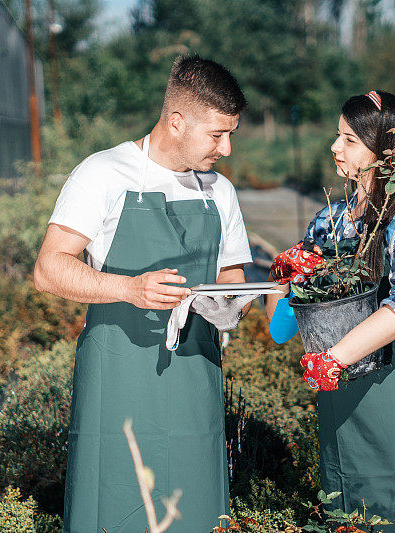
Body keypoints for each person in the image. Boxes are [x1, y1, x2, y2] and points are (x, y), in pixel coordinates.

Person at [33, 55, 253, 533]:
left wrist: (230, 306)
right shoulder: (103, 173)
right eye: (217, 134)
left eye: (231, 133)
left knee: (195, 512)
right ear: (177, 121)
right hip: (119, 379)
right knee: (115, 503)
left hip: (197, 378)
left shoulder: (220, 191)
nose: (227, 149)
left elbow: (233, 276)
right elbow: (49, 269)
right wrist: (129, 288)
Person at [266, 91, 395, 532]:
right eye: (338, 136)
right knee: (348, 508)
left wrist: (335, 358)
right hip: (340, 402)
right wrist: (287, 280)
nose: (335, 148)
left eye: (350, 140)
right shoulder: (329, 222)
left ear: (386, 153)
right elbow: (281, 329)